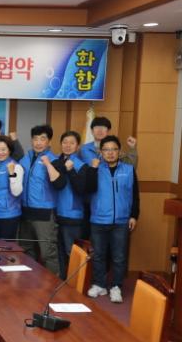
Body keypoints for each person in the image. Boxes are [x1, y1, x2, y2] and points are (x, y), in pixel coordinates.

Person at [87, 135, 140, 303]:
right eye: (106, 150)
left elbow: (135, 194)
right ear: (101, 152)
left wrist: (134, 215)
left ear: (119, 151)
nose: (110, 153)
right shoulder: (95, 168)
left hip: (121, 221)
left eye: (114, 149)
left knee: (119, 257)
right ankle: (99, 284)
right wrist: (93, 169)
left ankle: (116, 286)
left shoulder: (128, 170)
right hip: (98, 219)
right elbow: (87, 190)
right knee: (98, 255)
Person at [18, 125, 60, 275]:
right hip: (25, 212)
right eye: (35, 139)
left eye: (43, 139)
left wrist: (48, 164)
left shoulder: (54, 160)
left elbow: (59, 183)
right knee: (26, 251)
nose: (38, 142)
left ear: (49, 141)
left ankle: (54, 285)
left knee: (47, 253)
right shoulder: (24, 159)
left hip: (44, 214)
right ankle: (30, 283)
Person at [52, 131, 95, 279]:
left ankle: (75, 283)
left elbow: (80, 189)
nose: (68, 145)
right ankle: (62, 280)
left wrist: (70, 171)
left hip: (72, 215)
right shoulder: (55, 162)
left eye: (72, 143)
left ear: (77, 146)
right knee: (58, 252)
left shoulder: (82, 165)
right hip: (55, 214)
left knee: (72, 252)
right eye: (65, 142)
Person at [0, 136, 24, 240]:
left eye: (3, 149)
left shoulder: (16, 167)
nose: (0, 152)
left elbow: (17, 192)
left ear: (9, 150)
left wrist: (11, 174)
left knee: (6, 247)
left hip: (9, 215)